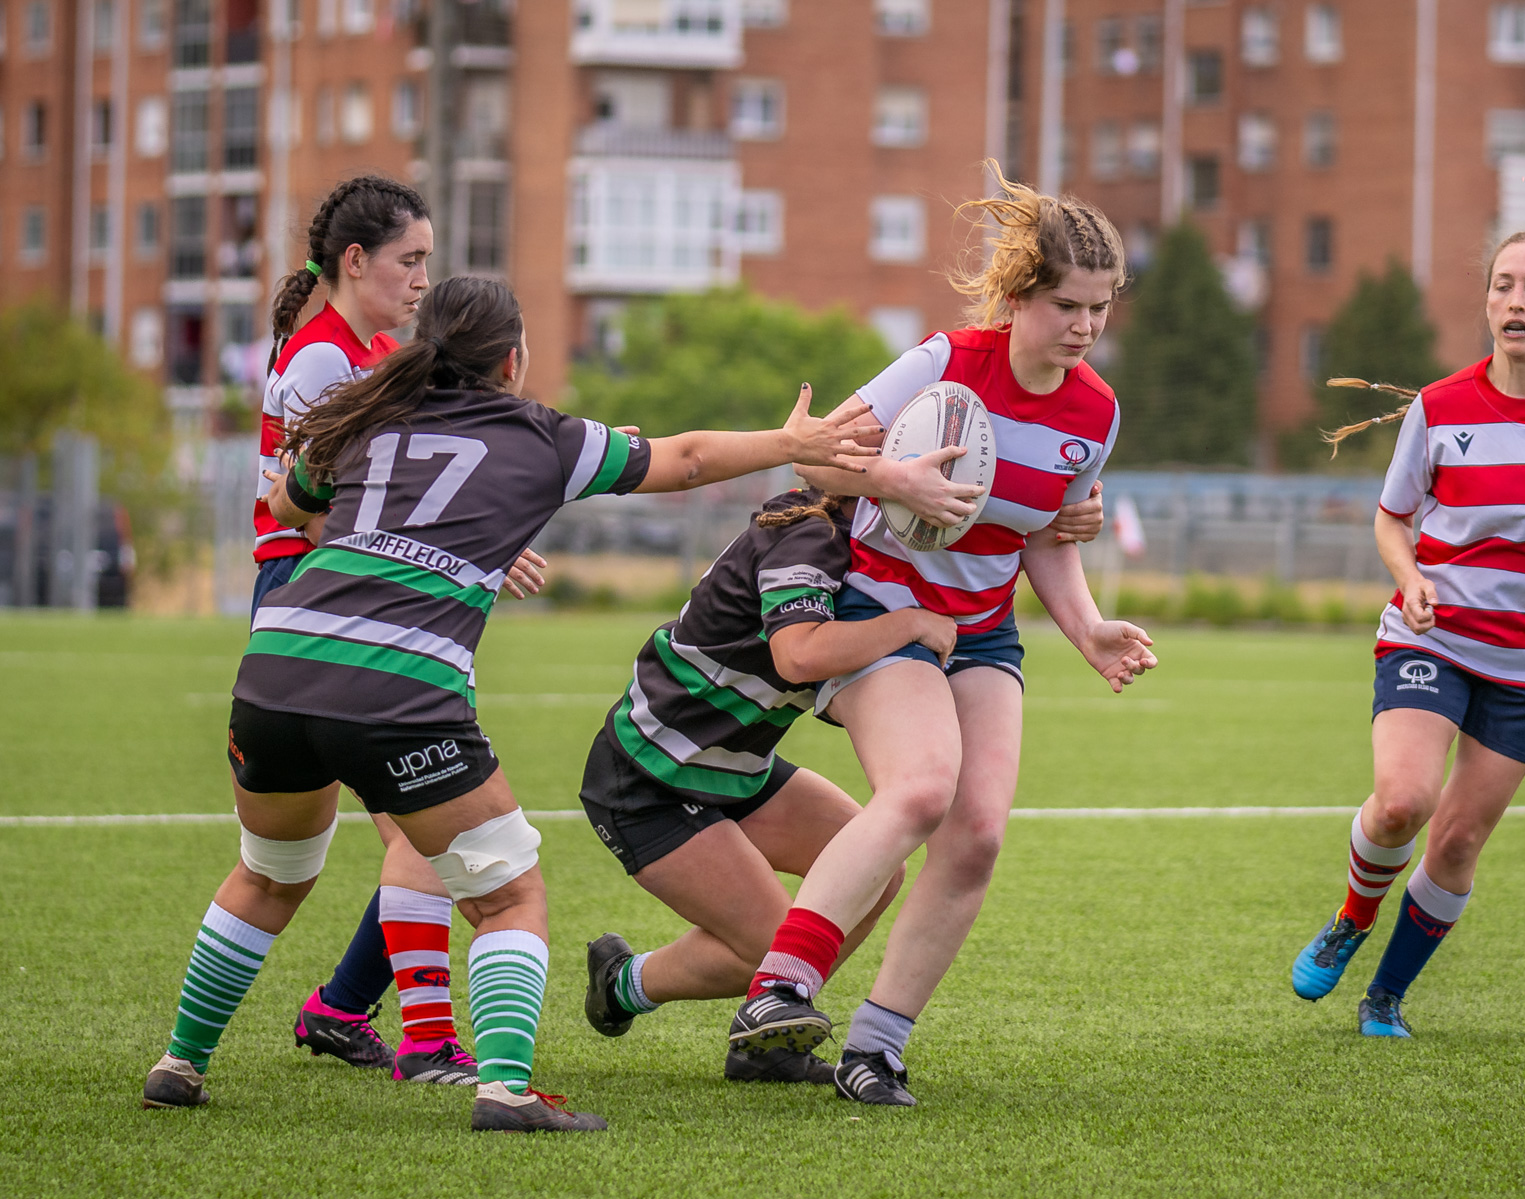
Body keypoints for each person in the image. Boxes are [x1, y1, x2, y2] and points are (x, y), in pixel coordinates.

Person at [141, 275, 880, 1131]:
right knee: (507, 895)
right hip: (397, 686)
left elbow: (285, 505)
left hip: (275, 666)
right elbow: (684, 459)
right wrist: (789, 440)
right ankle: (504, 1091)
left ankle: (180, 1062)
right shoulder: (543, 435)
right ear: (511, 359)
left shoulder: (362, 413)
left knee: (268, 876)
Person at [724, 166, 1158, 1106]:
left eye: (1100, 308)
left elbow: (1045, 535)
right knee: (922, 789)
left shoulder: (1097, 412)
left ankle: (876, 1050)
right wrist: (893, 478)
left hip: (983, 631)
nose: (1084, 326)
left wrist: (1087, 628)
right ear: (1018, 295)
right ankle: (779, 989)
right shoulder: (943, 361)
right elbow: (819, 457)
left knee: (977, 834)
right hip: (876, 609)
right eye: (1066, 305)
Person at [578, 476, 1104, 1085]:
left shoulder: (871, 539)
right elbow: (799, 655)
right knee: (772, 947)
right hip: (652, 774)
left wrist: (1060, 511)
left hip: (737, 766)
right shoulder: (814, 534)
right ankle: (624, 983)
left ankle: (767, 1045)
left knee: (873, 874)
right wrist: (910, 622)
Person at [1288, 231, 1525, 1037]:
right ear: (1488, 302)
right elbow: (1392, 520)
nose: (1515, 301)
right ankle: (1354, 916)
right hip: (1436, 634)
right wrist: (1411, 578)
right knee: (1402, 803)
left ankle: (1385, 997)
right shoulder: (1441, 406)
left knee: (1457, 841)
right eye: (1502, 285)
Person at [256, 175, 540, 1087]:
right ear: (354, 261)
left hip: (347, 598)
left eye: (428, 261)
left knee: (421, 833)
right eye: (409, 260)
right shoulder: (322, 360)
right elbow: (308, 507)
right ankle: (415, 1035)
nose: (423, 280)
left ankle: (344, 1007)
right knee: (428, 834)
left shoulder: (372, 353)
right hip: (320, 593)